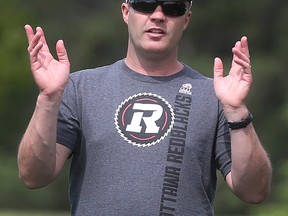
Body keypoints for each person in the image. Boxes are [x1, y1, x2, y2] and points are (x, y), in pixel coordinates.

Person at [18, 0, 272, 215]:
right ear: (126, 12)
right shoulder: (79, 87)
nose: (158, 15)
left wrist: (237, 111)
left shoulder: (216, 95)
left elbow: (254, 191)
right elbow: (33, 176)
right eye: (146, 4)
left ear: (185, 20)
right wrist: (48, 98)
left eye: (173, 7)